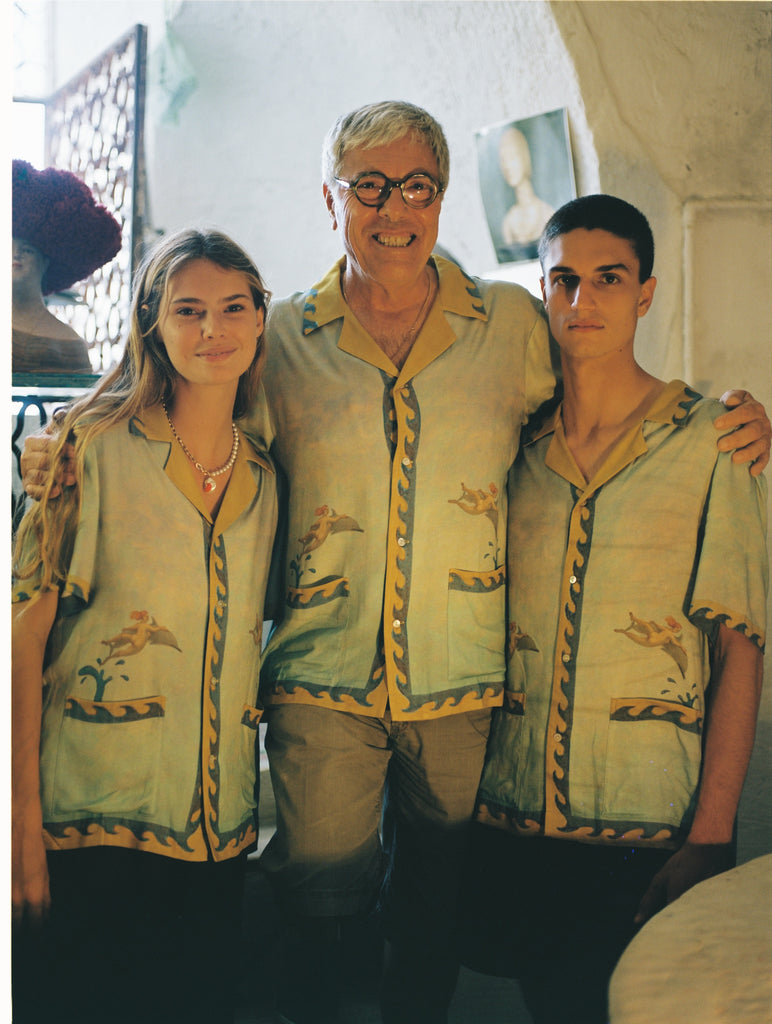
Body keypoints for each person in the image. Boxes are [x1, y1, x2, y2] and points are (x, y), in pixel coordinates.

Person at [19, 104, 771, 1024]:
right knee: (314, 907)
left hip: (464, 688)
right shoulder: (279, 334)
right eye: (367, 186)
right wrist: (71, 436)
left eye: (415, 184)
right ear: (330, 198)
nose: (393, 207)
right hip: (319, 680)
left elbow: (602, 372)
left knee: (436, 914)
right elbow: (192, 412)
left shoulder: (512, 324)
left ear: (442, 197)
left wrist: (736, 414)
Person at [465, 195, 767, 1023]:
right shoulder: (513, 447)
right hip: (516, 821)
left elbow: (741, 652)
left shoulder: (714, 441)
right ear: (542, 288)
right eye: (563, 280)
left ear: (646, 292)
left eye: (608, 279)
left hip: (651, 830)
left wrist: (709, 838)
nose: (581, 301)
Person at [12, 229, 277, 1024]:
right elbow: (24, 635)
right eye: (187, 309)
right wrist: (19, 823)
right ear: (152, 322)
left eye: (233, 308)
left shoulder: (267, 475)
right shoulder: (89, 449)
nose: (211, 330)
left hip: (216, 830)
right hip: (89, 822)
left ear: (261, 321)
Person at [12, 159, 122, 373]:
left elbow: (79, 404)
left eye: (27, 249)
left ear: (47, 260)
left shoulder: (68, 346)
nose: (15, 254)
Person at [497, 125, 554, 263]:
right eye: (503, 159)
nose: (507, 166)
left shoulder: (547, 213)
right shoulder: (509, 223)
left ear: (524, 156)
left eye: (512, 157)